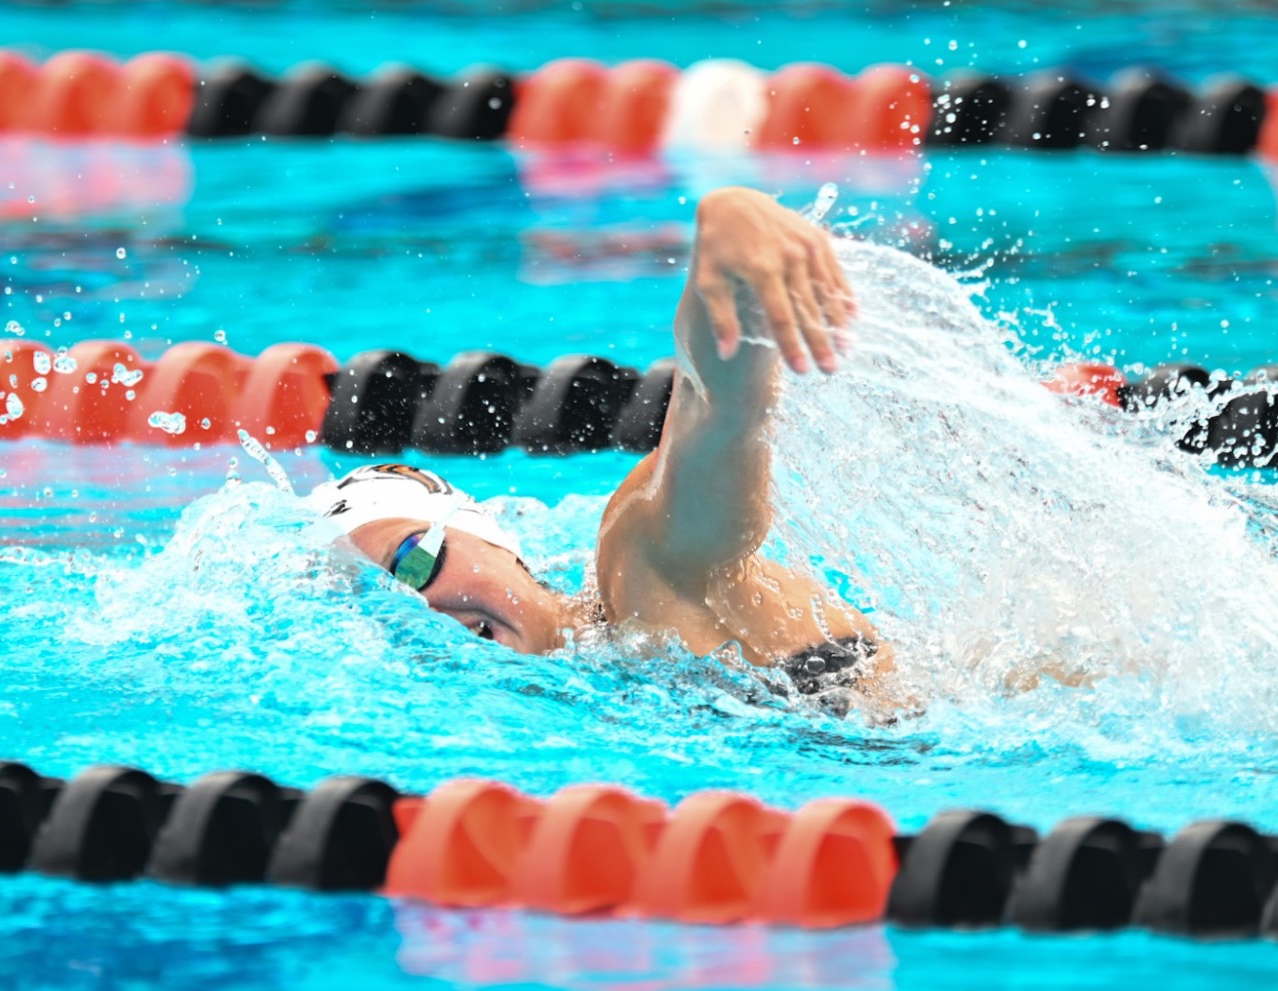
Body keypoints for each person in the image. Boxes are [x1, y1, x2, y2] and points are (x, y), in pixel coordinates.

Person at [307, 186, 893, 703]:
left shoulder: (641, 568)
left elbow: (721, 411)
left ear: (487, 535)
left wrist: (729, 227)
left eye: (411, 564)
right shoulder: (562, 685)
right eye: (384, 611)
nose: (423, 614)